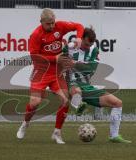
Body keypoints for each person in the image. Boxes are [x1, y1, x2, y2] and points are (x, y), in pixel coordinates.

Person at [16, 8, 84, 144]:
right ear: (41, 22)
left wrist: (79, 37)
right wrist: (55, 58)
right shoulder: (36, 35)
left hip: (57, 73)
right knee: (35, 103)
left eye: (53, 23)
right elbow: (35, 57)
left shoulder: (60, 26)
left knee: (65, 101)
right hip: (40, 72)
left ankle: (57, 133)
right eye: (48, 24)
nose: (52, 26)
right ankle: (25, 123)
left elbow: (79, 26)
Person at [63, 27, 131, 143]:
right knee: (77, 91)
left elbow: (93, 68)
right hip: (72, 83)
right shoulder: (70, 47)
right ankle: (78, 107)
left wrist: (76, 64)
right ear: (81, 38)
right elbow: (59, 61)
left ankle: (114, 136)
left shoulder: (94, 49)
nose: (87, 47)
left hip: (88, 87)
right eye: (86, 44)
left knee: (117, 103)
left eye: (90, 45)